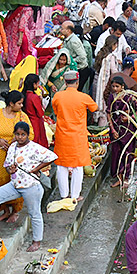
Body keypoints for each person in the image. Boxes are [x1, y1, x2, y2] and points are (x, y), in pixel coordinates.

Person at [0, 121, 54, 250]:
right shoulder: (12, 147)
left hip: (31, 186)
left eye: (23, 134)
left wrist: (37, 169)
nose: (20, 137)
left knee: (34, 213)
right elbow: (8, 166)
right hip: (14, 184)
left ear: (28, 135)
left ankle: (37, 241)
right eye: (18, 134)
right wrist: (11, 170)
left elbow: (52, 156)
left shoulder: (34, 147)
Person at [50, 71, 98, 203]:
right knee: (78, 166)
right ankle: (75, 196)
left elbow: (55, 111)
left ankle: (64, 195)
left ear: (65, 83)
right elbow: (95, 108)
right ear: (77, 82)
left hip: (62, 136)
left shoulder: (58, 96)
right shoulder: (83, 97)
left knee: (61, 166)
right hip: (78, 136)